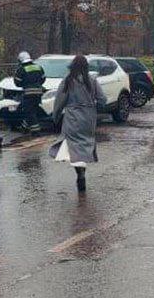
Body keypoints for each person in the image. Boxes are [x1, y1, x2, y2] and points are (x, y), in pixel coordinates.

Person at [49, 54, 105, 192]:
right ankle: (82, 171)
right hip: (88, 119)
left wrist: (55, 117)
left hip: (72, 118)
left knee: (74, 148)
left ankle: (80, 173)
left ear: (72, 66)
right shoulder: (92, 80)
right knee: (85, 145)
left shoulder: (68, 81)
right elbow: (102, 99)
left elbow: (59, 101)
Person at [13, 51, 46, 134]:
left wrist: (25, 84)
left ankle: (36, 131)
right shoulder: (38, 67)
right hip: (39, 93)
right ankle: (24, 127)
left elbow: (17, 82)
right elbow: (43, 79)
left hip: (28, 94)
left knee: (29, 112)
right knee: (33, 110)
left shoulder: (21, 69)